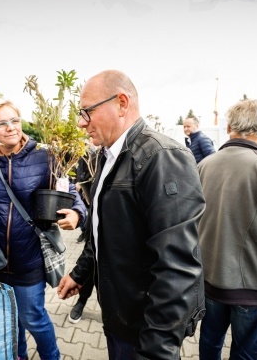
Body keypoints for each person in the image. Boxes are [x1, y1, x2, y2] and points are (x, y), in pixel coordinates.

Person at [57, 69, 206, 359]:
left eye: (86, 112)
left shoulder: (162, 157)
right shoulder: (108, 155)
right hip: (119, 318)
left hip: (146, 332)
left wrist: (157, 349)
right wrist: (81, 272)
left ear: (122, 103)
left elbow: (178, 267)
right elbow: (102, 229)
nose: (80, 123)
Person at [0, 98, 87, 360]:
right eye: (1, 123)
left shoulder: (44, 156)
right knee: (7, 321)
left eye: (14, 120)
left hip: (29, 260)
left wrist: (76, 213)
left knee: (33, 318)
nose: (11, 127)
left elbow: (70, 192)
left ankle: (52, 357)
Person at [197, 99, 257, 360]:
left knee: (210, 343)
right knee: (249, 355)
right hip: (254, 288)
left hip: (209, 281)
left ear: (228, 129)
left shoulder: (203, 166)